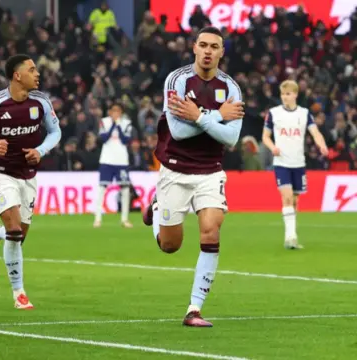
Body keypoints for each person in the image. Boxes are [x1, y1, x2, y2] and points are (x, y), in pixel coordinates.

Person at [142, 26, 244, 327]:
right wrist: (215, 116)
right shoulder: (177, 80)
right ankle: (158, 207)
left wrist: (198, 116)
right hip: (175, 168)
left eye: (215, 46)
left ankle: (194, 309)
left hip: (211, 170)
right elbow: (178, 131)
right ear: (194, 48)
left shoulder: (232, 88)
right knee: (169, 245)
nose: (208, 51)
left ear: (222, 52)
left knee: (211, 232)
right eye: (203, 45)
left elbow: (231, 138)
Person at [0, 54, 62, 309]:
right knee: (15, 232)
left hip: (28, 176)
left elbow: (55, 132)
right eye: (32, 69)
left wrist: (41, 150)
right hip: (1, 174)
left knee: (17, 236)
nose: (37, 73)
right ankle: (19, 293)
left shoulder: (41, 101)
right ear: (17, 76)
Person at [261, 80, 328, 249]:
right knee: (287, 197)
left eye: (288, 94)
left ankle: (292, 236)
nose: (285, 97)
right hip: (281, 162)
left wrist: (322, 145)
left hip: (298, 163)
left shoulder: (304, 114)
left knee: (296, 201)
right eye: (283, 94)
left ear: (295, 95)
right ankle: (290, 237)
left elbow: (315, 132)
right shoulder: (274, 113)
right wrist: (272, 148)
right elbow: (265, 137)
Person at [93, 103, 134, 228]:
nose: (116, 113)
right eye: (113, 111)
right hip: (107, 159)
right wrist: (113, 126)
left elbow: (125, 140)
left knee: (125, 189)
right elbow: (103, 138)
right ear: (110, 112)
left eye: (118, 111)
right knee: (101, 188)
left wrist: (118, 126)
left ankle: (124, 219)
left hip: (121, 160)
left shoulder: (127, 123)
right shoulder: (104, 122)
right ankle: (98, 218)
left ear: (121, 112)